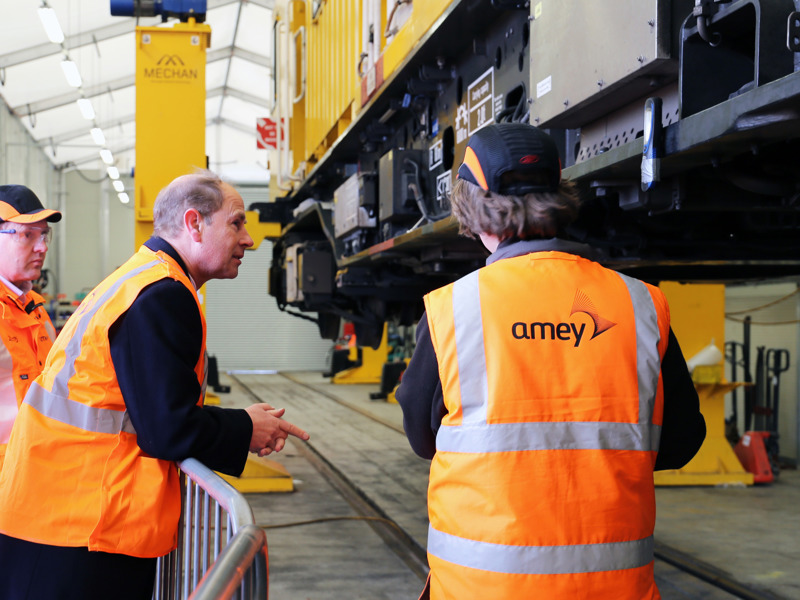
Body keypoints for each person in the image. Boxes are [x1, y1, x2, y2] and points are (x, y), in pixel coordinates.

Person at [395, 123, 707, 599]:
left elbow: (423, 438)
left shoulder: (452, 310)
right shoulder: (640, 304)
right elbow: (681, 442)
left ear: (473, 210)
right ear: (560, 196)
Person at [0, 170, 310, 600]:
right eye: (236, 222)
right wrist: (245, 428)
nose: (249, 239)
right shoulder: (161, 293)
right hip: (82, 527)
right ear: (193, 224)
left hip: (68, 513)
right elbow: (167, 427)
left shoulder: (143, 280)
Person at [0, 184, 61, 470]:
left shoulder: (36, 309)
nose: (42, 247)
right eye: (27, 235)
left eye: (44, 235)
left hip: (35, 473)